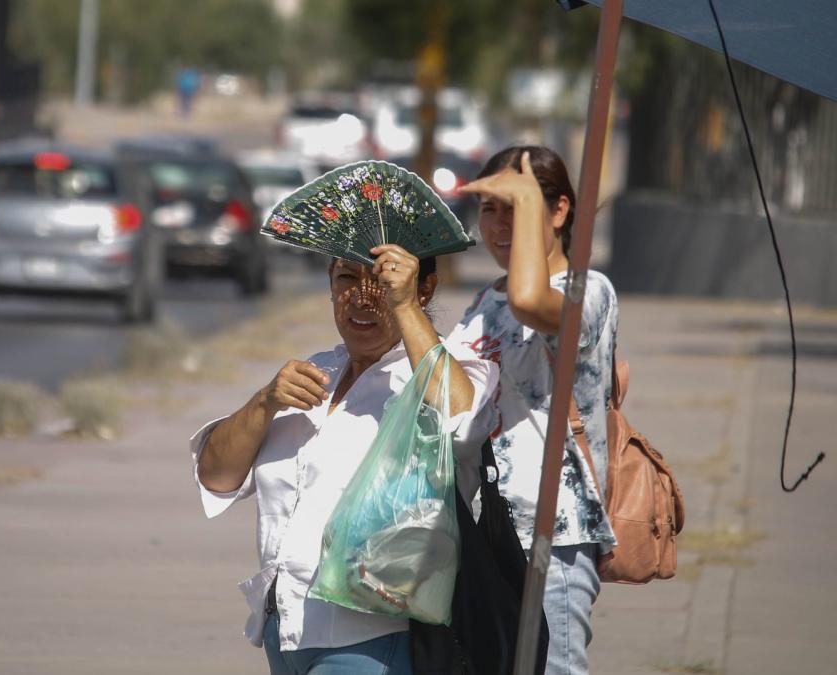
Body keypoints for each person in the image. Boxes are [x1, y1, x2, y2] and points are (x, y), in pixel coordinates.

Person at [190, 245, 498, 675]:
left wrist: (404, 305)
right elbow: (216, 476)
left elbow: (464, 421)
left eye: (383, 281)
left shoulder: (446, 371)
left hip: (373, 638)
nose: (363, 297)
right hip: (287, 632)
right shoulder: (314, 374)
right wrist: (264, 403)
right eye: (346, 279)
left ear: (425, 287)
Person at [452, 145, 618, 675]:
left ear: (559, 211)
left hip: (553, 531)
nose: (500, 225)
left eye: (516, 208)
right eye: (491, 209)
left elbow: (532, 303)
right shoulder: (485, 300)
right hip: (485, 529)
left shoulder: (587, 291)